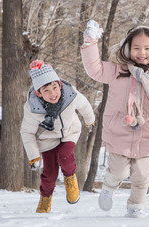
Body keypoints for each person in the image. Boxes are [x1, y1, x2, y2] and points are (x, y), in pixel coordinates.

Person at [81, 20, 149, 218]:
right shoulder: (117, 71)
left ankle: (136, 207)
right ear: (127, 49)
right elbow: (94, 69)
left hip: (147, 134)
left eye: (147, 48)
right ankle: (108, 187)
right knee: (118, 172)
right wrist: (90, 42)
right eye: (136, 47)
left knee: (141, 176)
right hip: (120, 131)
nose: (142, 52)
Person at [20, 59, 95, 213]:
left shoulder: (70, 95)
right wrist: (33, 156)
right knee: (50, 174)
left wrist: (90, 120)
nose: (53, 94)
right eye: (46, 90)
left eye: (55, 87)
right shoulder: (32, 108)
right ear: (38, 93)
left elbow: (85, 105)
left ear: (60, 85)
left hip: (69, 132)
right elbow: (27, 132)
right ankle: (45, 198)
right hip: (47, 140)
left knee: (66, 156)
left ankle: (70, 180)